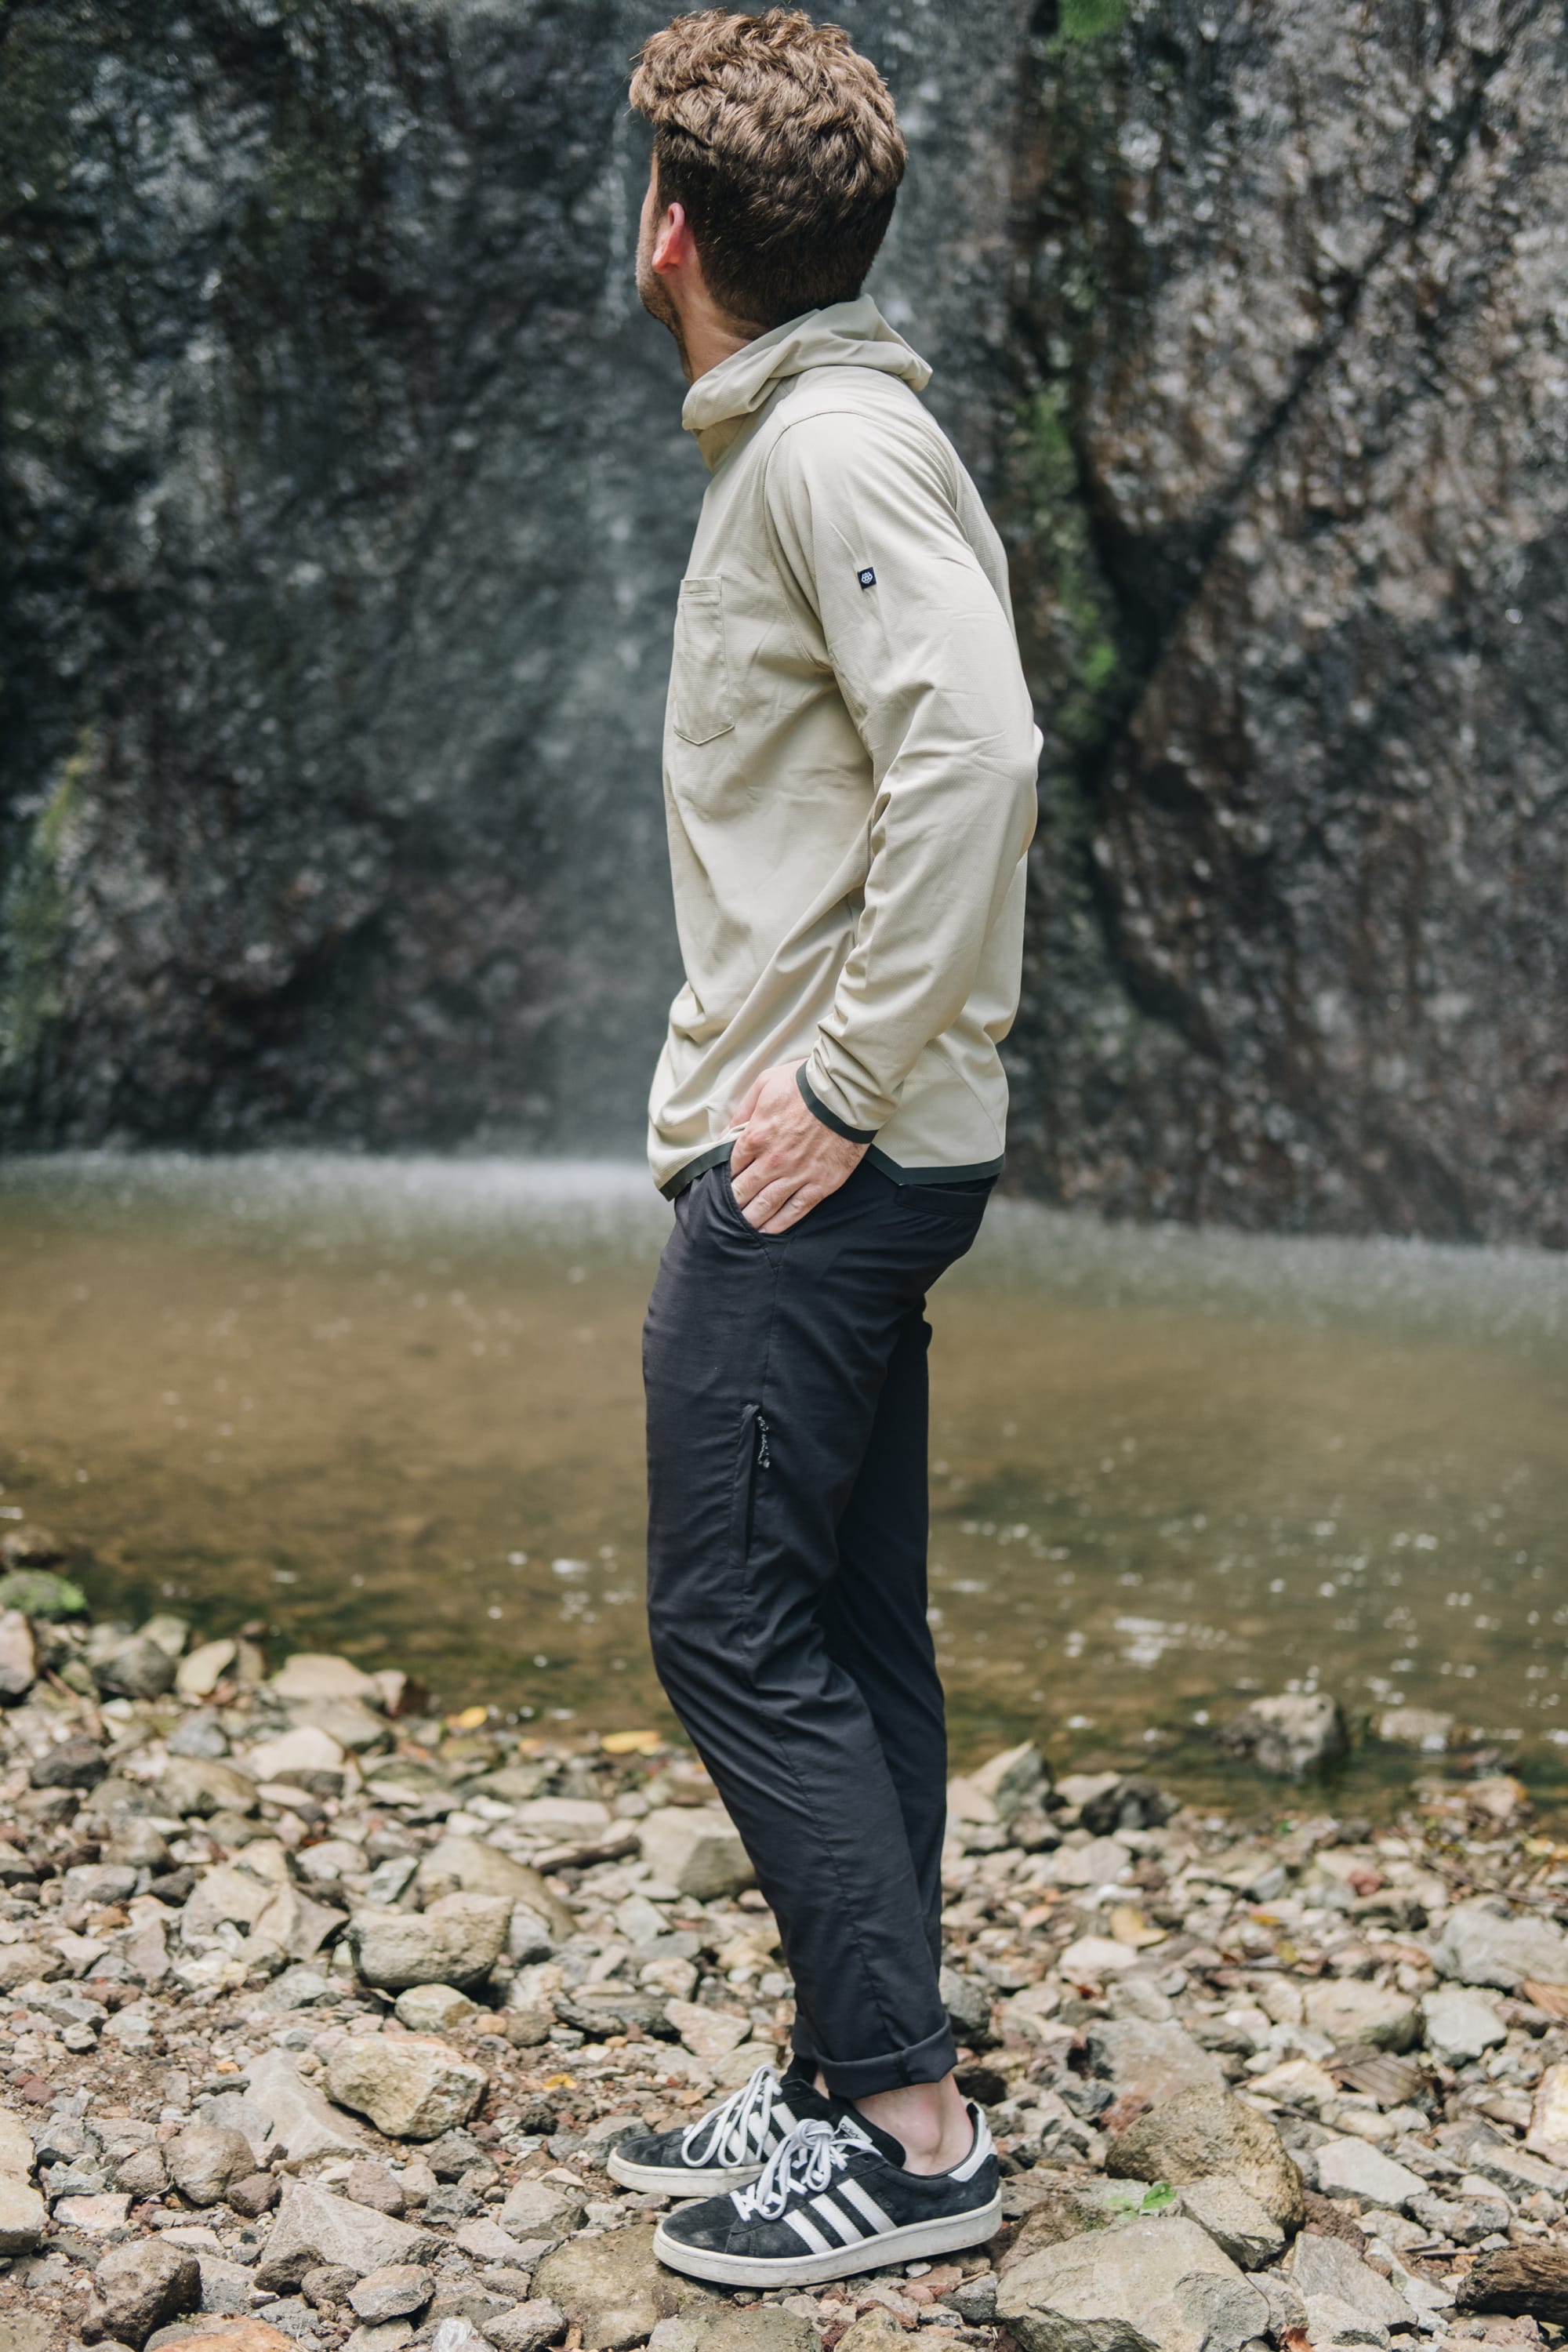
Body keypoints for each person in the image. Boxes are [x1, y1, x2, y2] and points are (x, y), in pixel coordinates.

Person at [608, 8, 1040, 2291]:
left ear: (672, 228)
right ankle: (852, 2060)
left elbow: (982, 751)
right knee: (849, 1618)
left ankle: (906, 2127)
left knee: (725, 1617)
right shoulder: (825, 431)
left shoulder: (828, 451)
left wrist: (847, 1078)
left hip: (822, 1155)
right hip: (858, 1138)